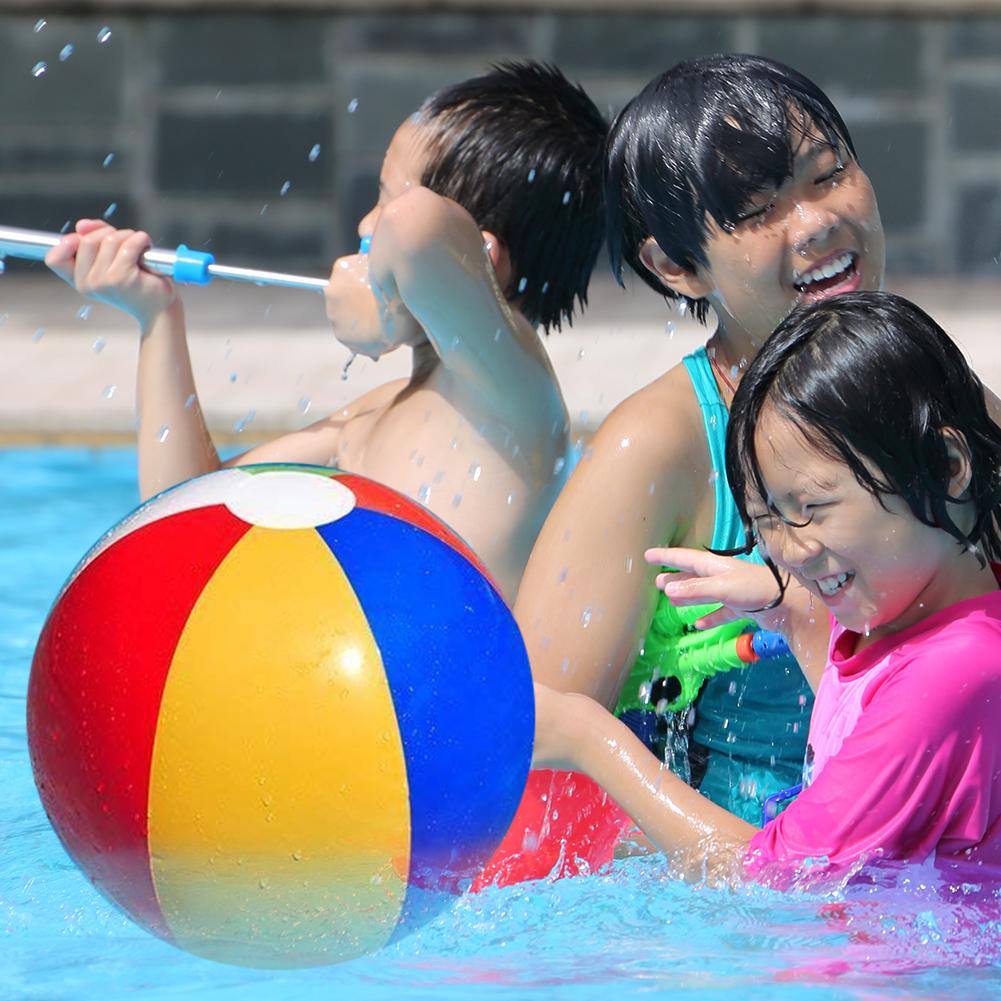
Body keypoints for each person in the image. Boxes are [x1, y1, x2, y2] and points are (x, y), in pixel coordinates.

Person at [45, 61, 607, 603]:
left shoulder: (513, 395)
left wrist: (387, 301)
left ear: (479, 258)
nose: (366, 225)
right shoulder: (374, 416)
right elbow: (186, 513)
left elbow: (416, 226)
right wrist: (156, 317)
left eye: (383, 199)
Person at [513, 54, 885, 827]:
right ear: (675, 266)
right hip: (743, 901)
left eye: (827, 173)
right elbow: (533, 740)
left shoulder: (927, 387)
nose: (815, 220)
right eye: (757, 210)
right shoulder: (658, 448)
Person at [533, 291, 1001, 884]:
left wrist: (591, 742)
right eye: (767, 520)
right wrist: (793, 611)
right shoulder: (924, 627)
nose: (791, 549)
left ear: (947, 466)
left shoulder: (954, 673)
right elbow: (857, 733)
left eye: (814, 506)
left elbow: (775, 881)